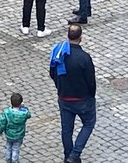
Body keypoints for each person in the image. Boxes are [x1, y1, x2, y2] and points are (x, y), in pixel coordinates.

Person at [49, 24, 96, 163]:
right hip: (82, 99)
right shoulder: (84, 58)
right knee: (88, 123)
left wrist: (60, 87)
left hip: (64, 97)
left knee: (66, 129)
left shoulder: (60, 53)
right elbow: (91, 81)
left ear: (68, 35)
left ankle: (67, 156)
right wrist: (91, 96)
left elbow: (52, 73)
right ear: (80, 38)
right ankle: (75, 155)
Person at [0, 92, 32, 163]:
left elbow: (2, 122)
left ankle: (8, 159)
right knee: (16, 149)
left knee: (8, 147)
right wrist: (24, 107)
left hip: (9, 134)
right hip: (19, 135)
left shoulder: (7, 112)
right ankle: (15, 160)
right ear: (20, 103)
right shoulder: (24, 112)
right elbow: (29, 115)